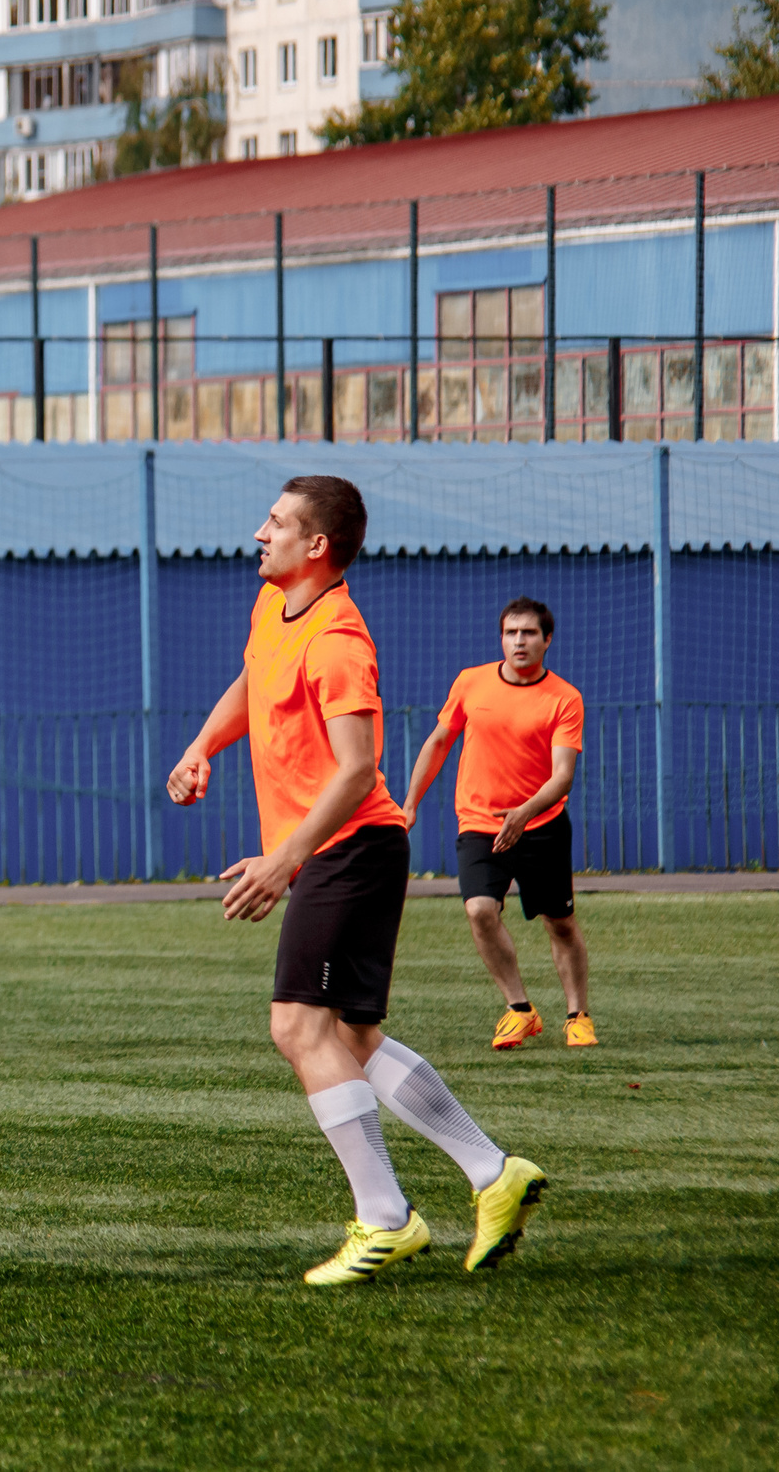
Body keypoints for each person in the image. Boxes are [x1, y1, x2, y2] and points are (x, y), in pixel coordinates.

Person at [167, 475, 544, 1285]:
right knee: (352, 1038)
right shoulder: (275, 608)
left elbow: (357, 768)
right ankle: (493, 1172)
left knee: (298, 1028)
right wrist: (204, 744)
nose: (259, 532)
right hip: (345, 850)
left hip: (353, 847)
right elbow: (254, 683)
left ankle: (386, 1217)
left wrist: (285, 858)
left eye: (275, 522)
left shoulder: (340, 640)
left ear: (318, 547)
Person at [403, 598, 593, 1049]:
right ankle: (519, 1010)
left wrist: (523, 814)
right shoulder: (471, 682)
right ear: (501, 638)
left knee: (560, 923)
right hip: (479, 822)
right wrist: (410, 803)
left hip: (541, 824)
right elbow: (439, 742)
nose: (519, 641)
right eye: (511, 633)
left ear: (548, 640)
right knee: (479, 910)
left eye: (529, 633)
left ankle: (577, 1015)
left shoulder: (565, 698)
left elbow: (562, 775)